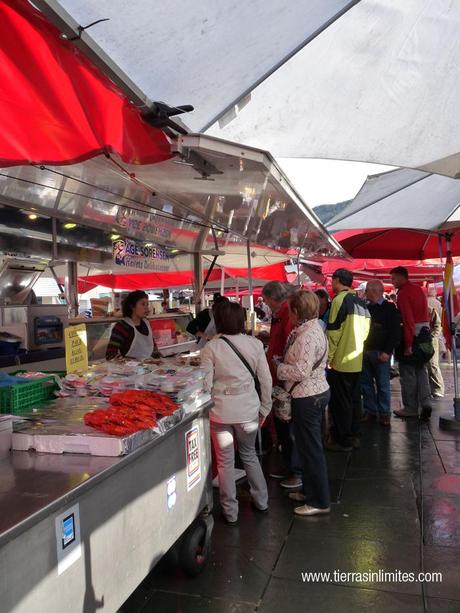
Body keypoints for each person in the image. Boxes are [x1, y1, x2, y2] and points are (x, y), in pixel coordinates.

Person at [201, 301, 272, 525]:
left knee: (225, 462)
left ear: (218, 321)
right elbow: (266, 380)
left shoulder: (211, 347)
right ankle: (262, 501)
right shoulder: (255, 344)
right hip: (248, 410)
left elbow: (205, 385)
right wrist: (265, 408)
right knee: (249, 455)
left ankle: (230, 511)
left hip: (220, 412)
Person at [277, 291, 330, 516]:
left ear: (297, 312)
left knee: (311, 450)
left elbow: (301, 370)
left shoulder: (308, 335)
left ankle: (319, 501)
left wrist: (279, 367)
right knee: (309, 447)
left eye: (290, 310)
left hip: (308, 396)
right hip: (313, 392)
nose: (288, 314)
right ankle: (310, 492)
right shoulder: (310, 329)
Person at [262, 281, 301, 489]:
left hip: (284, 381)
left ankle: (295, 471)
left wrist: (278, 366)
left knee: (287, 426)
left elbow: (289, 350)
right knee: (283, 425)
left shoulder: (287, 315)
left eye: (266, 300)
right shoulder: (281, 314)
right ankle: (289, 467)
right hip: (278, 377)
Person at [326, 269, 370, 451]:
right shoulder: (361, 302)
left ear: (337, 280)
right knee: (354, 400)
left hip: (341, 361)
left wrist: (329, 358)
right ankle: (354, 434)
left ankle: (342, 439)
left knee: (340, 402)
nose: (331, 284)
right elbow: (366, 331)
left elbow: (333, 333)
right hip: (356, 359)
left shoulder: (338, 300)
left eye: (332, 280)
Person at [391, 267, 433, 420]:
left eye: (394, 279)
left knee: (408, 374)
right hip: (424, 335)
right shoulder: (419, 290)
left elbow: (408, 320)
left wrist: (408, 344)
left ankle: (410, 407)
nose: (392, 282)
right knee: (421, 371)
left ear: (402, 277)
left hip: (413, 337)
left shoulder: (403, 294)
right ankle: (426, 402)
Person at [361, 280, 401, 427]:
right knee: (366, 383)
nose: (366, 294)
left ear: (375, 291)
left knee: (382, 384)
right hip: (366, 350)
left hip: (380, 352)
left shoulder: (389, 308)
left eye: (367, 291)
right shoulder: (367, 307)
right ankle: (370, 410)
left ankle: (384, 413)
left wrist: (387, 351)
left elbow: (395, 332)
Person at [106, 290, 158, 360]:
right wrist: (136, 362)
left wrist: (160, 358)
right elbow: (110, 355)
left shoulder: (146, 323)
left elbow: (153, 347)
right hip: (129, 369)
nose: (146, 308)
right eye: (143, 304)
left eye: (147, 304)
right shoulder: (121, 327)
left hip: (149, 368)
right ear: (132, 306)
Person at [427, 287, 445, 398]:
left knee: (432, 364)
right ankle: (436, 389)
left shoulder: (429, 307)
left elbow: (438, 324)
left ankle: (438, 389)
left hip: (431, 338)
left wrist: (433, 336)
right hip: (433, 337)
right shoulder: (437, 303)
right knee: (432, 365)